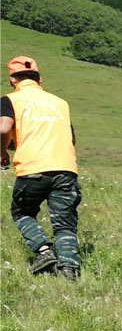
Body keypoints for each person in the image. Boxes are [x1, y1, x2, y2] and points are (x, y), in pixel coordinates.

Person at [0, 56, 82, 280]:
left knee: (22, 212)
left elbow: (3, 128)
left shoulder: (10, 100)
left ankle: (44, 252)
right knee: (64, 223)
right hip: (65, 168)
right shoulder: (60, 103)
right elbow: (71, 138)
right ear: (39, 79)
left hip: (32, 168)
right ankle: (69, 270)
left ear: (12, 79)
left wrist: (2, 152)